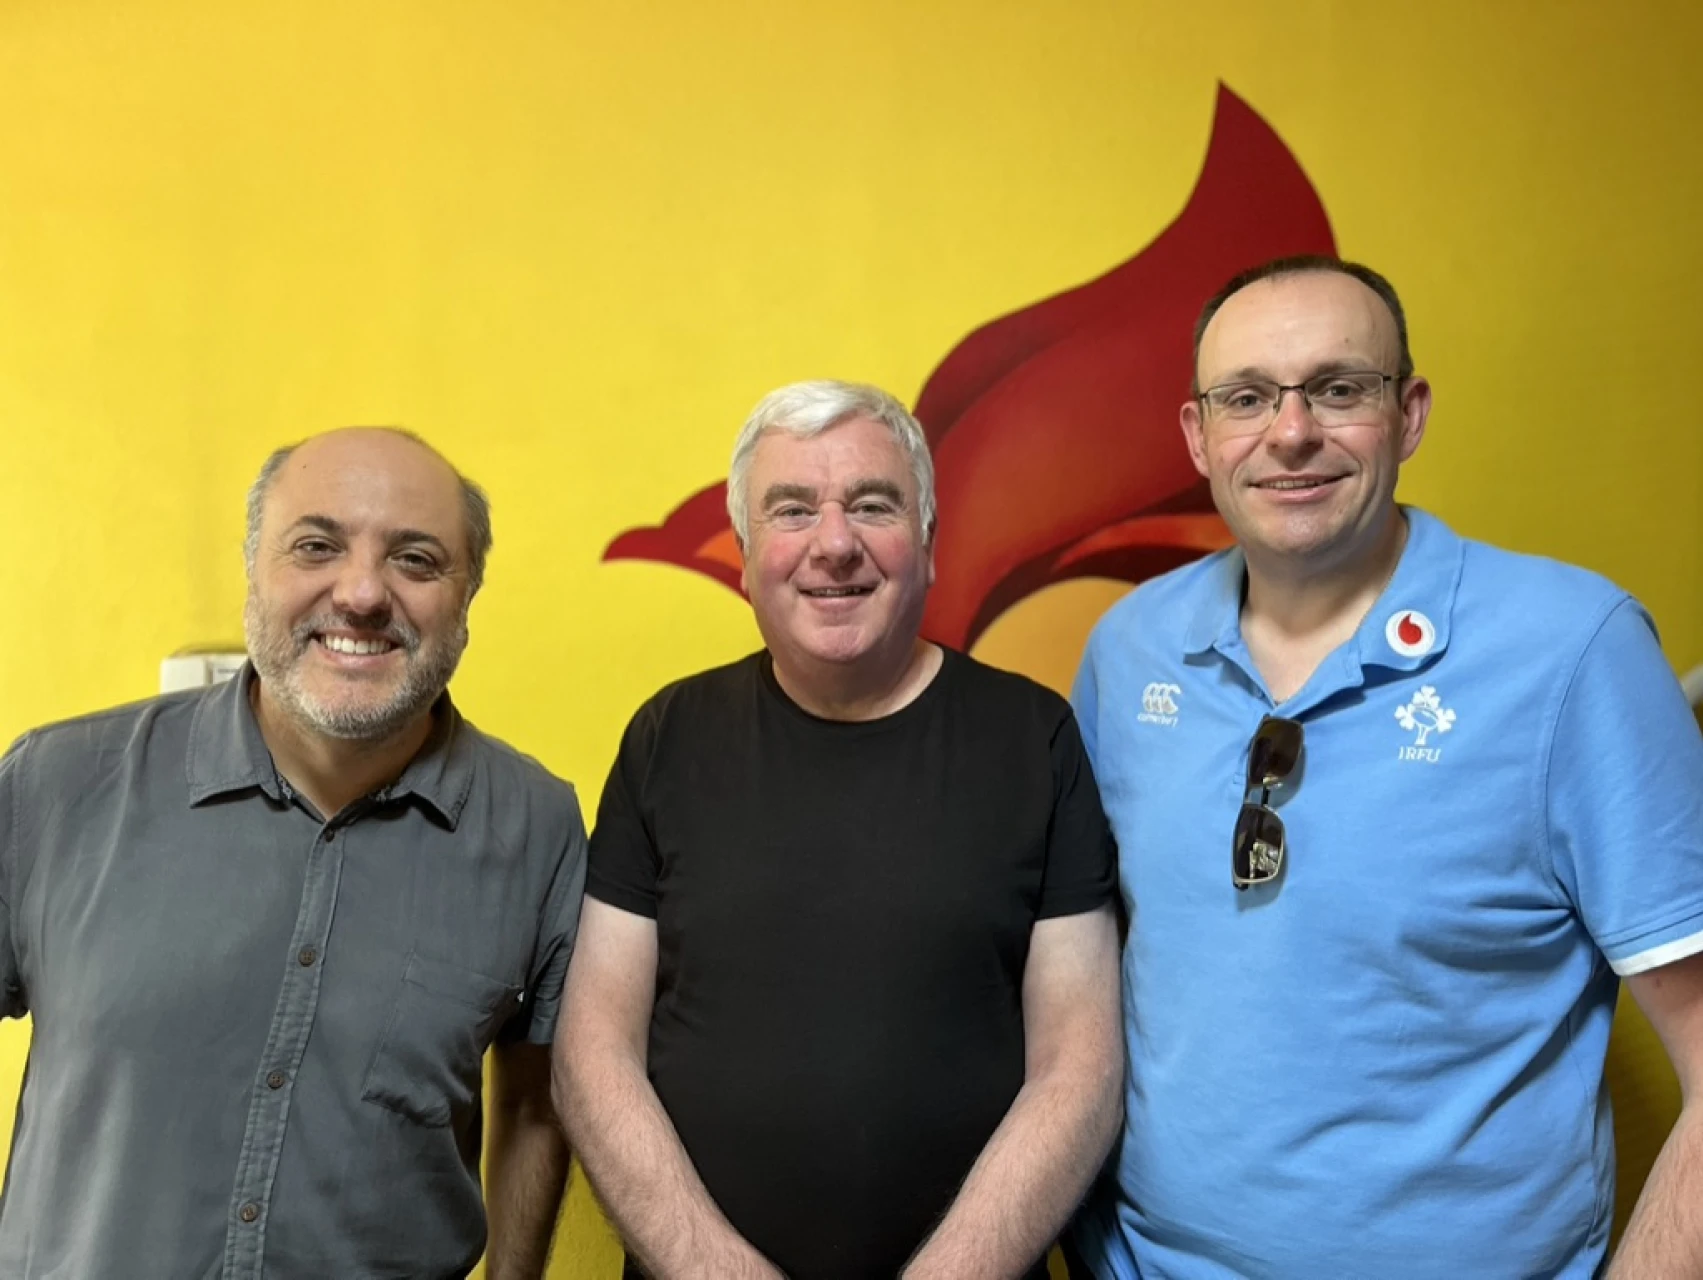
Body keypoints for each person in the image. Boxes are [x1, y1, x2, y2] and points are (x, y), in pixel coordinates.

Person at [1069, 255, 1703, 1277]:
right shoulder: (1129, 648)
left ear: (1408, 414)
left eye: (1337, 387)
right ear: (1199, 436)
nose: (1291, 432)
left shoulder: (1574, 650)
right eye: (1247, 397)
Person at [555, 380, 1123, 1280]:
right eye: (792, 509)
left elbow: (1080, 1068)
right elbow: (593, 1053)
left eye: (872, 504)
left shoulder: (1034, 739)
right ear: (744, 556)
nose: (834, 543)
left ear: (929, 544)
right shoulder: (668, 736)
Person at [0, 428, 586, 1279]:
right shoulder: (56, 785)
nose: (359, 593)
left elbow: (537, 1095)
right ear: (254, 568)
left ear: (468, 597)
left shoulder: (537, 826)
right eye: (316, 545)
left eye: (416, 561)